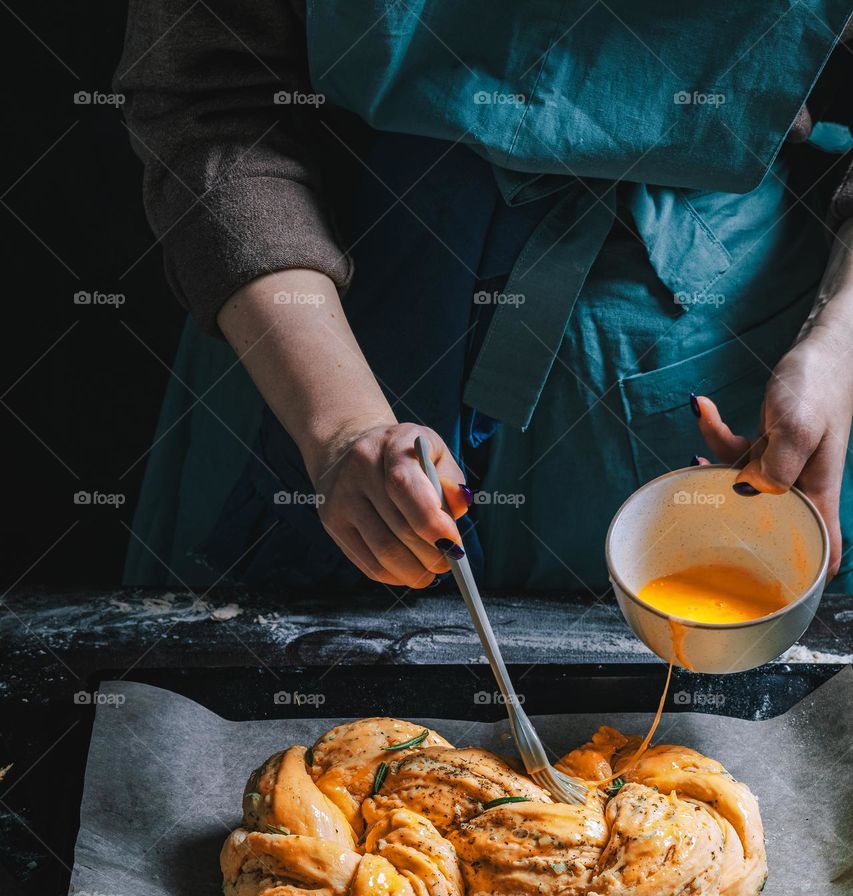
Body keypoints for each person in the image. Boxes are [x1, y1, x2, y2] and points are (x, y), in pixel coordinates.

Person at [116, 2, 853, 595]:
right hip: (306, 323)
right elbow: (207, 96)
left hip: (703, 348)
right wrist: (340, 431)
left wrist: (836, 346)